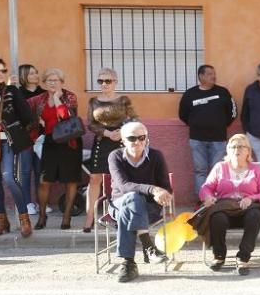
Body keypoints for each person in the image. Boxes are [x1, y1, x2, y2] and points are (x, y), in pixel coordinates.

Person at [197, 133, 260, 276]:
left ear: (248, 151)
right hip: (225, 209)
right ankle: (219, 256)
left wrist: (251, 198)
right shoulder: (220, 167)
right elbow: (205, 188)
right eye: (233, 147)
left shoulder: (256, 170)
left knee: (255, 215)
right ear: (228, 150)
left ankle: (243, 257)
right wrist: (207, 197)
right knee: (216, 216)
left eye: (240, 146)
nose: (236, 150)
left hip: (247, 210)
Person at [108, 121, 172, 283]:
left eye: (141, 137)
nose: (137, 142)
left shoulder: (156, 156)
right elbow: (123, 186)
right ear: (122, 140)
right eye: (131, 138)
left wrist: (163, 194)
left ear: (147, 139)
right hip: (118, 204)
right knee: (132, 199)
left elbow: (165, 187)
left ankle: (128, 263)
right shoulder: (115, 156)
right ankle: (148, 245)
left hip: (149, 208)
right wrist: (151, 189)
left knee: (130, 209)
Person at [0, 56, 34, 237]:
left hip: (8, 141)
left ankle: (24, 220)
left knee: (9, 177)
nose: (1, 74)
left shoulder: (11, 91)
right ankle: (1, 221)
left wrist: (13, 127)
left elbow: (28, 116)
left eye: (3, 71)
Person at [82, 68, 137, 233]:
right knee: (94, 179)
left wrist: (121, 132)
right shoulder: (93, 101)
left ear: (115, 82)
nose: (104, 84)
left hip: (121, 142)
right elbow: (91, 123)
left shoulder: (124, 100)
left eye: (108, 81)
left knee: (118, 179)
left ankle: (117, 214)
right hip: (101, 141)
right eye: (100, 81)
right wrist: (107, 133)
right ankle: (89, 217)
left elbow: (134, 119)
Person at [29, 68, 83, 230]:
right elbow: (25, 112)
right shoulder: (39, 99)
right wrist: (37, 121)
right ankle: (42, 216)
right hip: (50, 142)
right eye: (49, 80)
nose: (53, 83)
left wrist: (58, 99)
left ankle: (66, 217)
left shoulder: (70, 96)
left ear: (61, 82)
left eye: (56, 80)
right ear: (44, 83)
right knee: (44, 181)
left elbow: (65, 117)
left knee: (70, 181)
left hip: (70, 143)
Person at [179, 65, 237, 196]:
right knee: (200, 170)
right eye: (210, 74)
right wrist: (196, 125)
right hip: (197, 139)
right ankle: (203, 200)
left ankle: (217, 199)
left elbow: (233, 112)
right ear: (201, 76)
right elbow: (182, 114)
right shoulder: (190, 94)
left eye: (214, 73)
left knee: (219, 170)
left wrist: (221, 125)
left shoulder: (223, 92)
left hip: (218, 139)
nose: (214, 76)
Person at [13, 63, 44, 216]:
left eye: (36, 72)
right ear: (24, 76)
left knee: (40, 171)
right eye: (31, 73)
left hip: (42, 138)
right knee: (25, 172)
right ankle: (27, 203)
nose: (35, 75)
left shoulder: (44, 93)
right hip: (25, 138)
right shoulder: (18, 93)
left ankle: (40, 202)